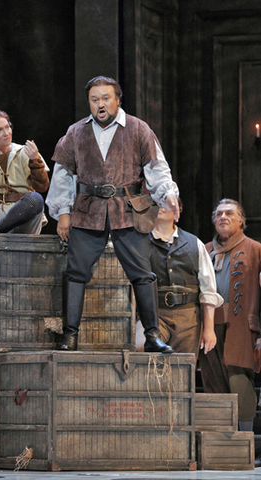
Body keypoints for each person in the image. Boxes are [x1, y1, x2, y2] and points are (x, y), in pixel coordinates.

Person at [46, 75, 180, 353]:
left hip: (128, 210)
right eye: (94, 100)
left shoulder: (138, 129)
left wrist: (167, 193)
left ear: (118, 100)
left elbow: (156, 166)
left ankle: (153, 335)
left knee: (142, 274)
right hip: (87, 210)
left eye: (106, 98)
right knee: (75, 272)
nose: (100, 105)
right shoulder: (76, 132)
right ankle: (70, 336)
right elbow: (62, 174)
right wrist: (62, 212)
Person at [199, 198, 261, 431]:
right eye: (219, 214)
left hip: (242, 328)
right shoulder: (204, 250)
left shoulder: (255, 249)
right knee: (212, 378)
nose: (223, 217)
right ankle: (219, 441)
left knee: (239, 380)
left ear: (241, 221)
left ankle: (244, 441)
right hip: (210, 326)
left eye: (229, 214)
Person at [136, 200, 223, 357]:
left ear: (178, 210)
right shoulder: (139, 243)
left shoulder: (194, 243)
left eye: (166, 202)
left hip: (188, 317)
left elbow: (208, 289)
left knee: (183, 370)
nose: (160, 206)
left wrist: (209, 329)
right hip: (152, 314)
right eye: (156, 202)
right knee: (142, 354)